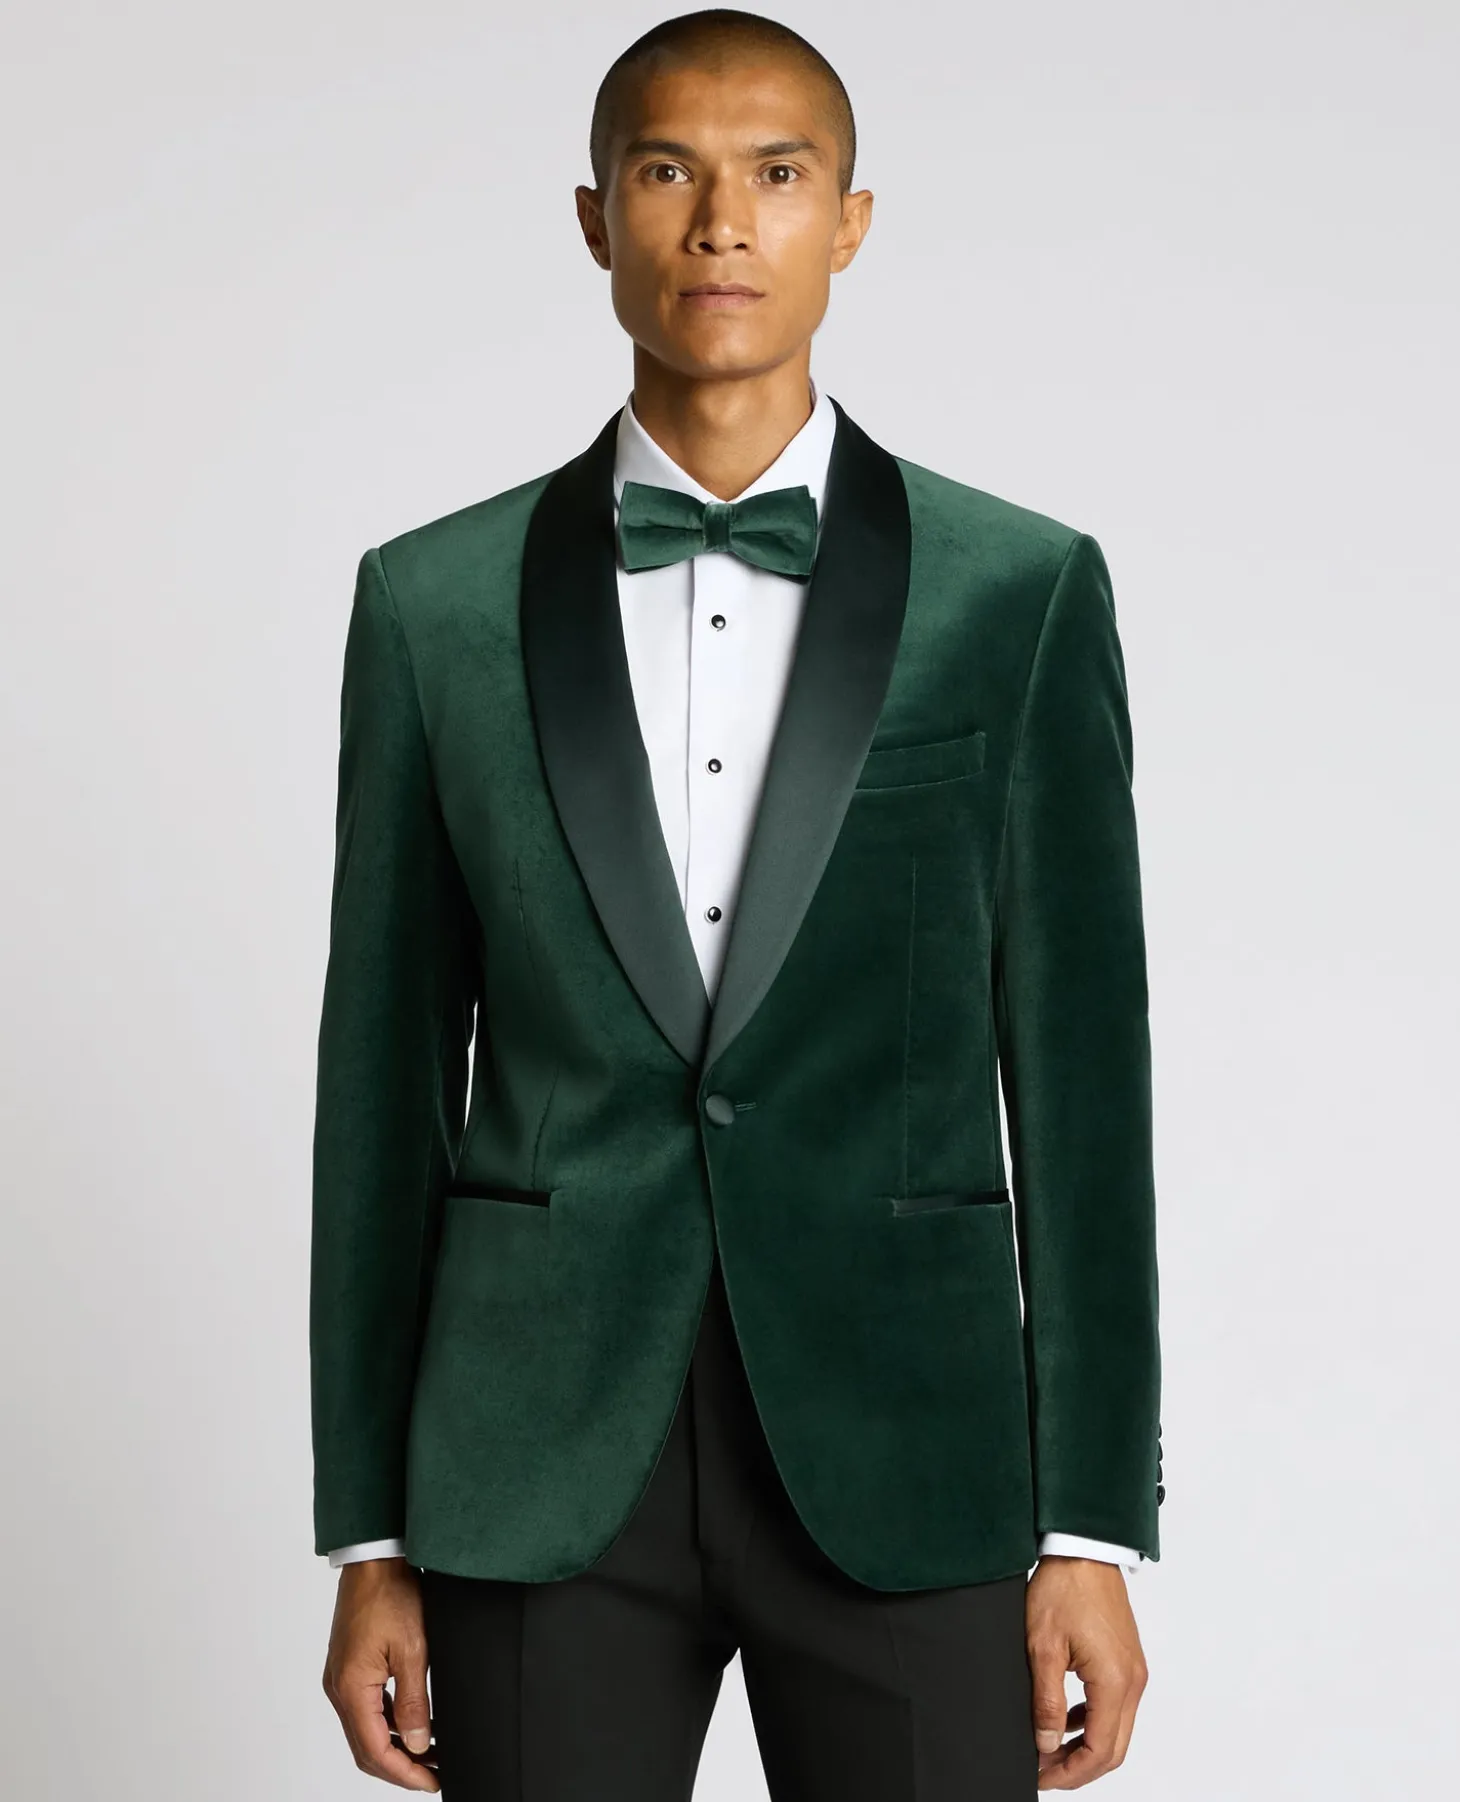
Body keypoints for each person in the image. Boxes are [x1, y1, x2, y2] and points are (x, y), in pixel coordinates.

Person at [311, 10, 1162, 1797]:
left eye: (777, 174)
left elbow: (1084, 1080)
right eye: (667, 171)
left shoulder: (1018, 593)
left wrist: (1090, 1520)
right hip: (537, 1458)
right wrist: (370, 1530)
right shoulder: (431, 606)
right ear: (594, 216)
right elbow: (379, 1085)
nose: (721, 223)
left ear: (849, 222)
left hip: (911, 1450)